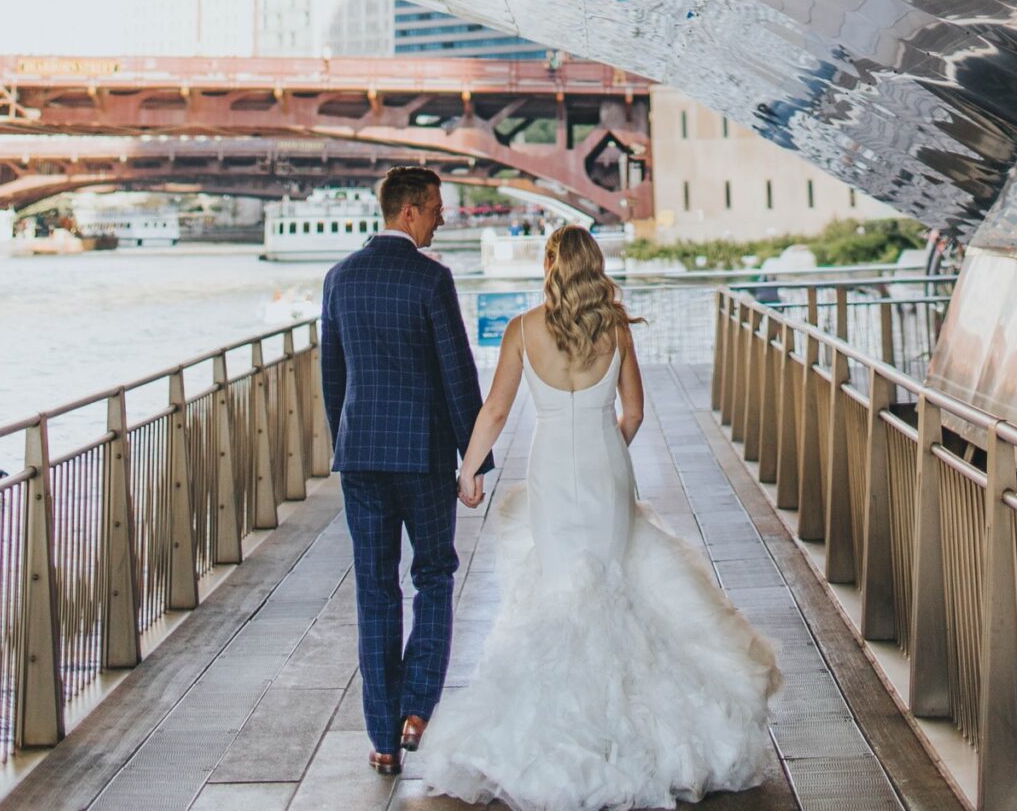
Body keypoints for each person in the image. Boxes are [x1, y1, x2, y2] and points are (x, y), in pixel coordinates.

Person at [415, 227, 780, 810]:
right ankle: (633, 725)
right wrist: (608, 449)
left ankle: (563, 723)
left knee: (562, 586)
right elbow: (632, 412)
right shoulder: (614, 328)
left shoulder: (523, 330)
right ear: (595, 266)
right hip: (605, 464)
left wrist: (470, 468)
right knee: (612, 581)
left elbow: (498, 408)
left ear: (551, 264)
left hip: (552, 467)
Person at [320, 166, 487, 775]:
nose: (444, 217)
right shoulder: (430, 280)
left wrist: (346, 441)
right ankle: (419, 706)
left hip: (360, 455)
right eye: (437, 207)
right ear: (410, 212)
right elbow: (456, 373)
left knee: (374, 589)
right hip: (422, 455)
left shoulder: (339, 279)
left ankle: (383, 739)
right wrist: (474, 460)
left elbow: (332, 377)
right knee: (435, 574)